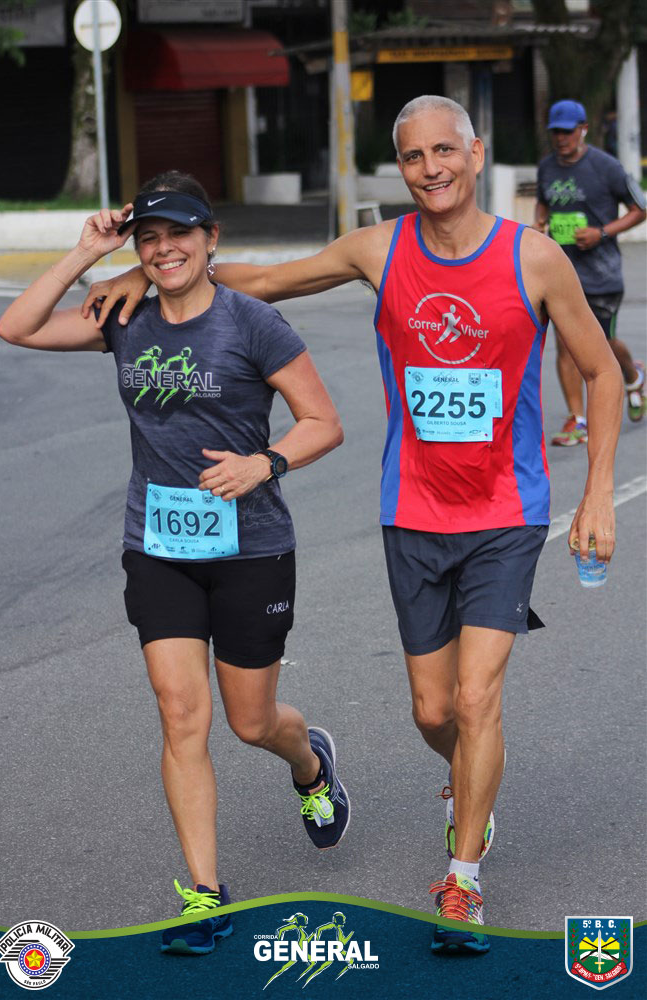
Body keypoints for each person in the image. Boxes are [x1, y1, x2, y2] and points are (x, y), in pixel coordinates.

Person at [83, 97, 624, 952]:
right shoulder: (381, 249)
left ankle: (462, 880)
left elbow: (599, 371)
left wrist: (594, 492)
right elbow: (264, 281)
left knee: (476, 698)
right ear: (400, 167)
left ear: (475, 153)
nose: (430, 168)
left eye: (444, 150)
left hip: (505, 512)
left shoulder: (533, 257)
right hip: (412, 511)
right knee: (433, 710)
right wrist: (146, 276)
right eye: (413, 156)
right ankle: (468, 781)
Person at [0, 170, 350, 956]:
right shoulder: (123, 317)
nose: (163, 250)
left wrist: (265, 463)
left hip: (252, 547)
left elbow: (323, 422)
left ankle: (310, 763)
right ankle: (203, 895)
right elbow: (16, 327)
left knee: (251, 721)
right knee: (181, 714)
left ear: (210, 238)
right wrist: (86, 252)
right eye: (148, 238)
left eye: (179, 234)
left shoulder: (252, 323)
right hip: (158, 546)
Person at [534, 99, 646, 446]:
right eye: (556, 132)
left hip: (601, 274)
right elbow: (543, 203)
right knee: (566, 344)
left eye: (567, 132)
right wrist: (538, 224)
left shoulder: (606, 166)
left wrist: (602, 233)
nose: (561, 138)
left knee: (602, 343)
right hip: (560, 273)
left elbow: (640, 208)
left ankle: (633, 373)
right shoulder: (547, 167)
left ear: (583, 129)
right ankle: (577, 420)